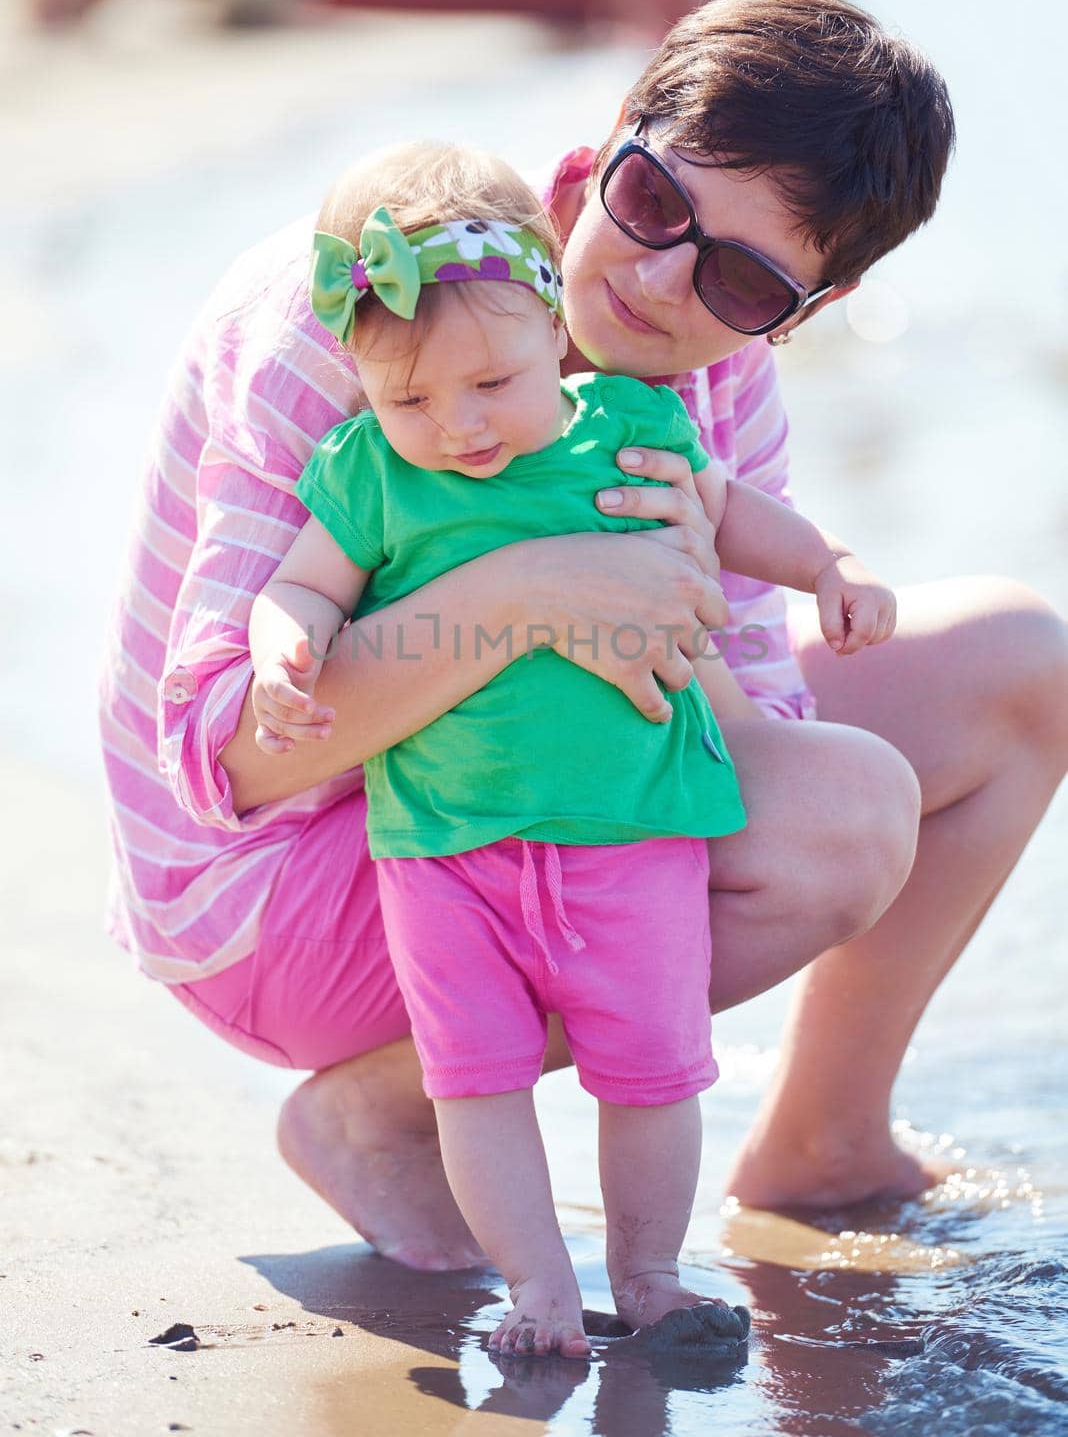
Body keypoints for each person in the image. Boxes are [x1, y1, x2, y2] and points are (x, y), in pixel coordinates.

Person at [97, 0, 1068, 1274]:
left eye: (738, 276)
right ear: (615, 132)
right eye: (658, 205)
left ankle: (825, 1139)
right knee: (842, 824)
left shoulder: (721, 378)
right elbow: (226, 758)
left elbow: (753, 743)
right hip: (265, 887)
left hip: (495, 786)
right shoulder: (377, 312)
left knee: (1021, 667)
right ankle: (381, 1111)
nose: (661, 283)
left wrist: (678, 593)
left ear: (808, 310)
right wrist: (535, 588)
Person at [246, 140, 896, 1353]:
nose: (459, 424)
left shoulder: (629, 424)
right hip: (443, 853)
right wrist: (283, 648)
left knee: (653, 1071)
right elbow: (302, 586)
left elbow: (732, 511)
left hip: (631, 831)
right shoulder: (370, 471)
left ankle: (647, 1270)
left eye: (489, 382)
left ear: (553, 326)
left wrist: (829, 566)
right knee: (476, 1083)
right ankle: (539, 1288)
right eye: (412, 398)